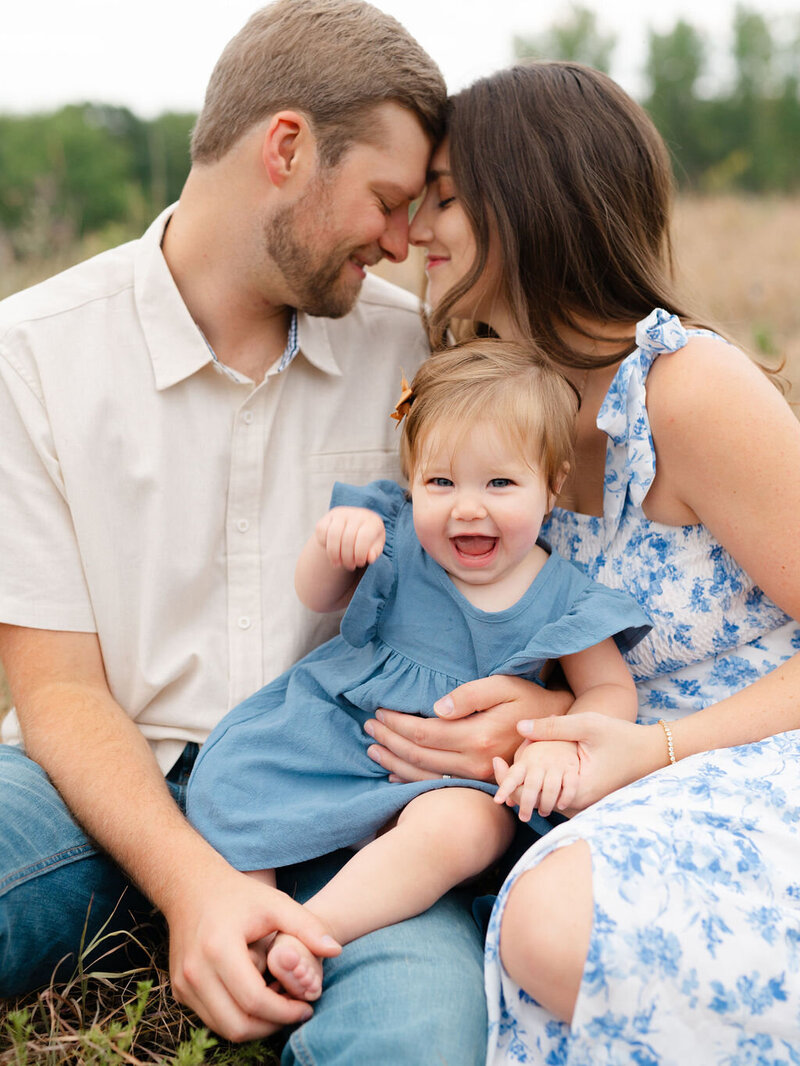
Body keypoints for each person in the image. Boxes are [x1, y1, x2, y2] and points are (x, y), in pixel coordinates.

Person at [0, 3, 497, 1061]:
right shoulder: (30, 354)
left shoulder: (413, 348)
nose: (404, 241)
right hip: (97, 784)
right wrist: (191, 889)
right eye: (387, 200)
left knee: (424, 1032)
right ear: (286, 149)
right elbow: (55, 688)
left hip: (344, 796)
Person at [353, 60, 800, 1062]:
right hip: (633, 777)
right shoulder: (498, 418)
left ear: (532, 200)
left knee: (552, 928)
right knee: (538, 929)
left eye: (447, 198)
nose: (414, 230)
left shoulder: (683, 390)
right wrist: (552, 713)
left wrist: (657, 749)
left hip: (757, 758)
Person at [186, 339, 651, 1002]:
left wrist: (560, 742)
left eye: (499, 482)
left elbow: (611, 689)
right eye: (441, 482)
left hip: (450, 783)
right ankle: (248, 917)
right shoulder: (395, 531)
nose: (467, 506)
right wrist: (333, 544)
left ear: (550, 486)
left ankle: (314, 928)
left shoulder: (563, 593)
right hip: (345, 730)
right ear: (411, 481)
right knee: (237, 772)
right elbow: (316, 596)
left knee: (468, 829)